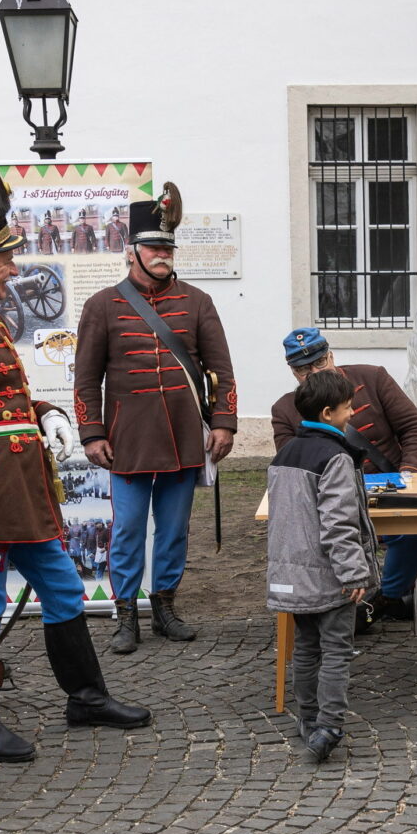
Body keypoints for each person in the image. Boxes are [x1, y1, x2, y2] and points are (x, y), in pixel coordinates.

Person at [0, 182, 149, 761]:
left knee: (65, 591)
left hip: (23, 492)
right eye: (6, 257)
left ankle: (86, 697)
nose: (16, 265)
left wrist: (46, 415)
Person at [72, 183, 238, 652]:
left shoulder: (197, 302)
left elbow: (221, 370)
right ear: (132, 253)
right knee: (126, 530)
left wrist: (223, 422)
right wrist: (91, 433)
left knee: (174, 529)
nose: (162, 255)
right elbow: (86, 380)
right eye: (153, 247)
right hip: (127, 439)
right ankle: (126, 615)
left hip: (184, 437)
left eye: (167, 247)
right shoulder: (102, 305)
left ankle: (165, 605)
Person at [270, 326, 417, 620]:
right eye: (303, 368)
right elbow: (295, 468)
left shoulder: (373, 378)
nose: (314, 372)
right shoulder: (284, 409)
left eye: (320, 362)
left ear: (331, 356)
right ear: (293, 372)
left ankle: (385, 598)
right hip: (331, 503)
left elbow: (414, 429)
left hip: (390, 489)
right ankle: (334, 607)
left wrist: (408, 475)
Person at [268, 368, 380, 765]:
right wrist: (354, 573)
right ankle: (329, 726)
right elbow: (338, 522)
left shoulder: (284, 454)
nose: (353, 414)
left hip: (293, 575)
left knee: (306, 648)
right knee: (336, 650)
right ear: (330, 412)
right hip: (328, 575)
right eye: (349, 408)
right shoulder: (335, 457)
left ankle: (308, 718)